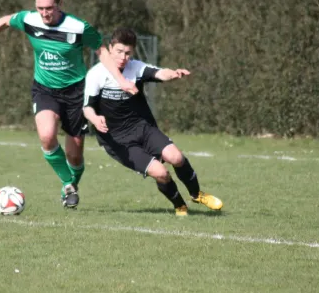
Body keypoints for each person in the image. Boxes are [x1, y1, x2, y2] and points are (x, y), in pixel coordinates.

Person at [0, 0, 138, 209]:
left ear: (60, 4)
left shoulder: (78, 27)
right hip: (45, 89)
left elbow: (101, 50)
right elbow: (4, 21)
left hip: (76, 92)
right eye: (40, 8)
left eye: (49, 8)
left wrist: (121, 81)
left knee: (75, 156)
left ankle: (72, 183)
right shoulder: (29, 19)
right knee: (46, 136)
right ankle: (67, 186)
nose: (44, 13)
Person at [83, 28, 223, 216]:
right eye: (119, 51)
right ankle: (180, 205)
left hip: (143, 128)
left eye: (127, 53)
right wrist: (94, 118)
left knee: (176, 158)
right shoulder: (96, 74)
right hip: (118, 139)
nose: (123, 57)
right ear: (109, 49)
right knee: (161, 173)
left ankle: (197, 194)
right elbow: (87, 107)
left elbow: (158, 73)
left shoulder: (135, 67)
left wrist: (173, 74)